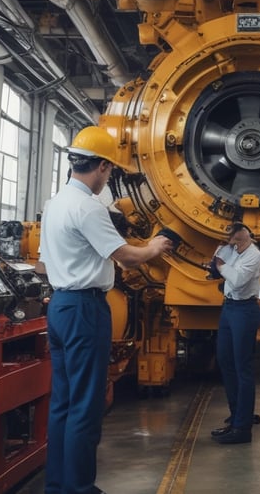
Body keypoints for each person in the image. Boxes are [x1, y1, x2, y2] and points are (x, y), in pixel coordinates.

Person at [39, 126, 173, 494]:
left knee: (63, 403)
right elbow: (125, 257)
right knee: (86, 404)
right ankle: (79, 487)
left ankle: (58, 484)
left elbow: (44, 262)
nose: (109, 177)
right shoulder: (88, 208)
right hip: (84, 309)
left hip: (60, 306)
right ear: (99, 166)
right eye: (110, 170)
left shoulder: (55, 204)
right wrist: (153, 248)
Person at [209, 221, 260, 445]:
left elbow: (238, 280)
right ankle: (237, 415)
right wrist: (218, 263)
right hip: (229, 307)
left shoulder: (253, 255)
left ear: (241, 237)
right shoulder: (230, 250)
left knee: (243, 366)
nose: (226, 243)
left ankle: (243, 429)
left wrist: (221, 266)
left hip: (245, 309)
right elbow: (216, 268)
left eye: (230, 239)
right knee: (225, 360)